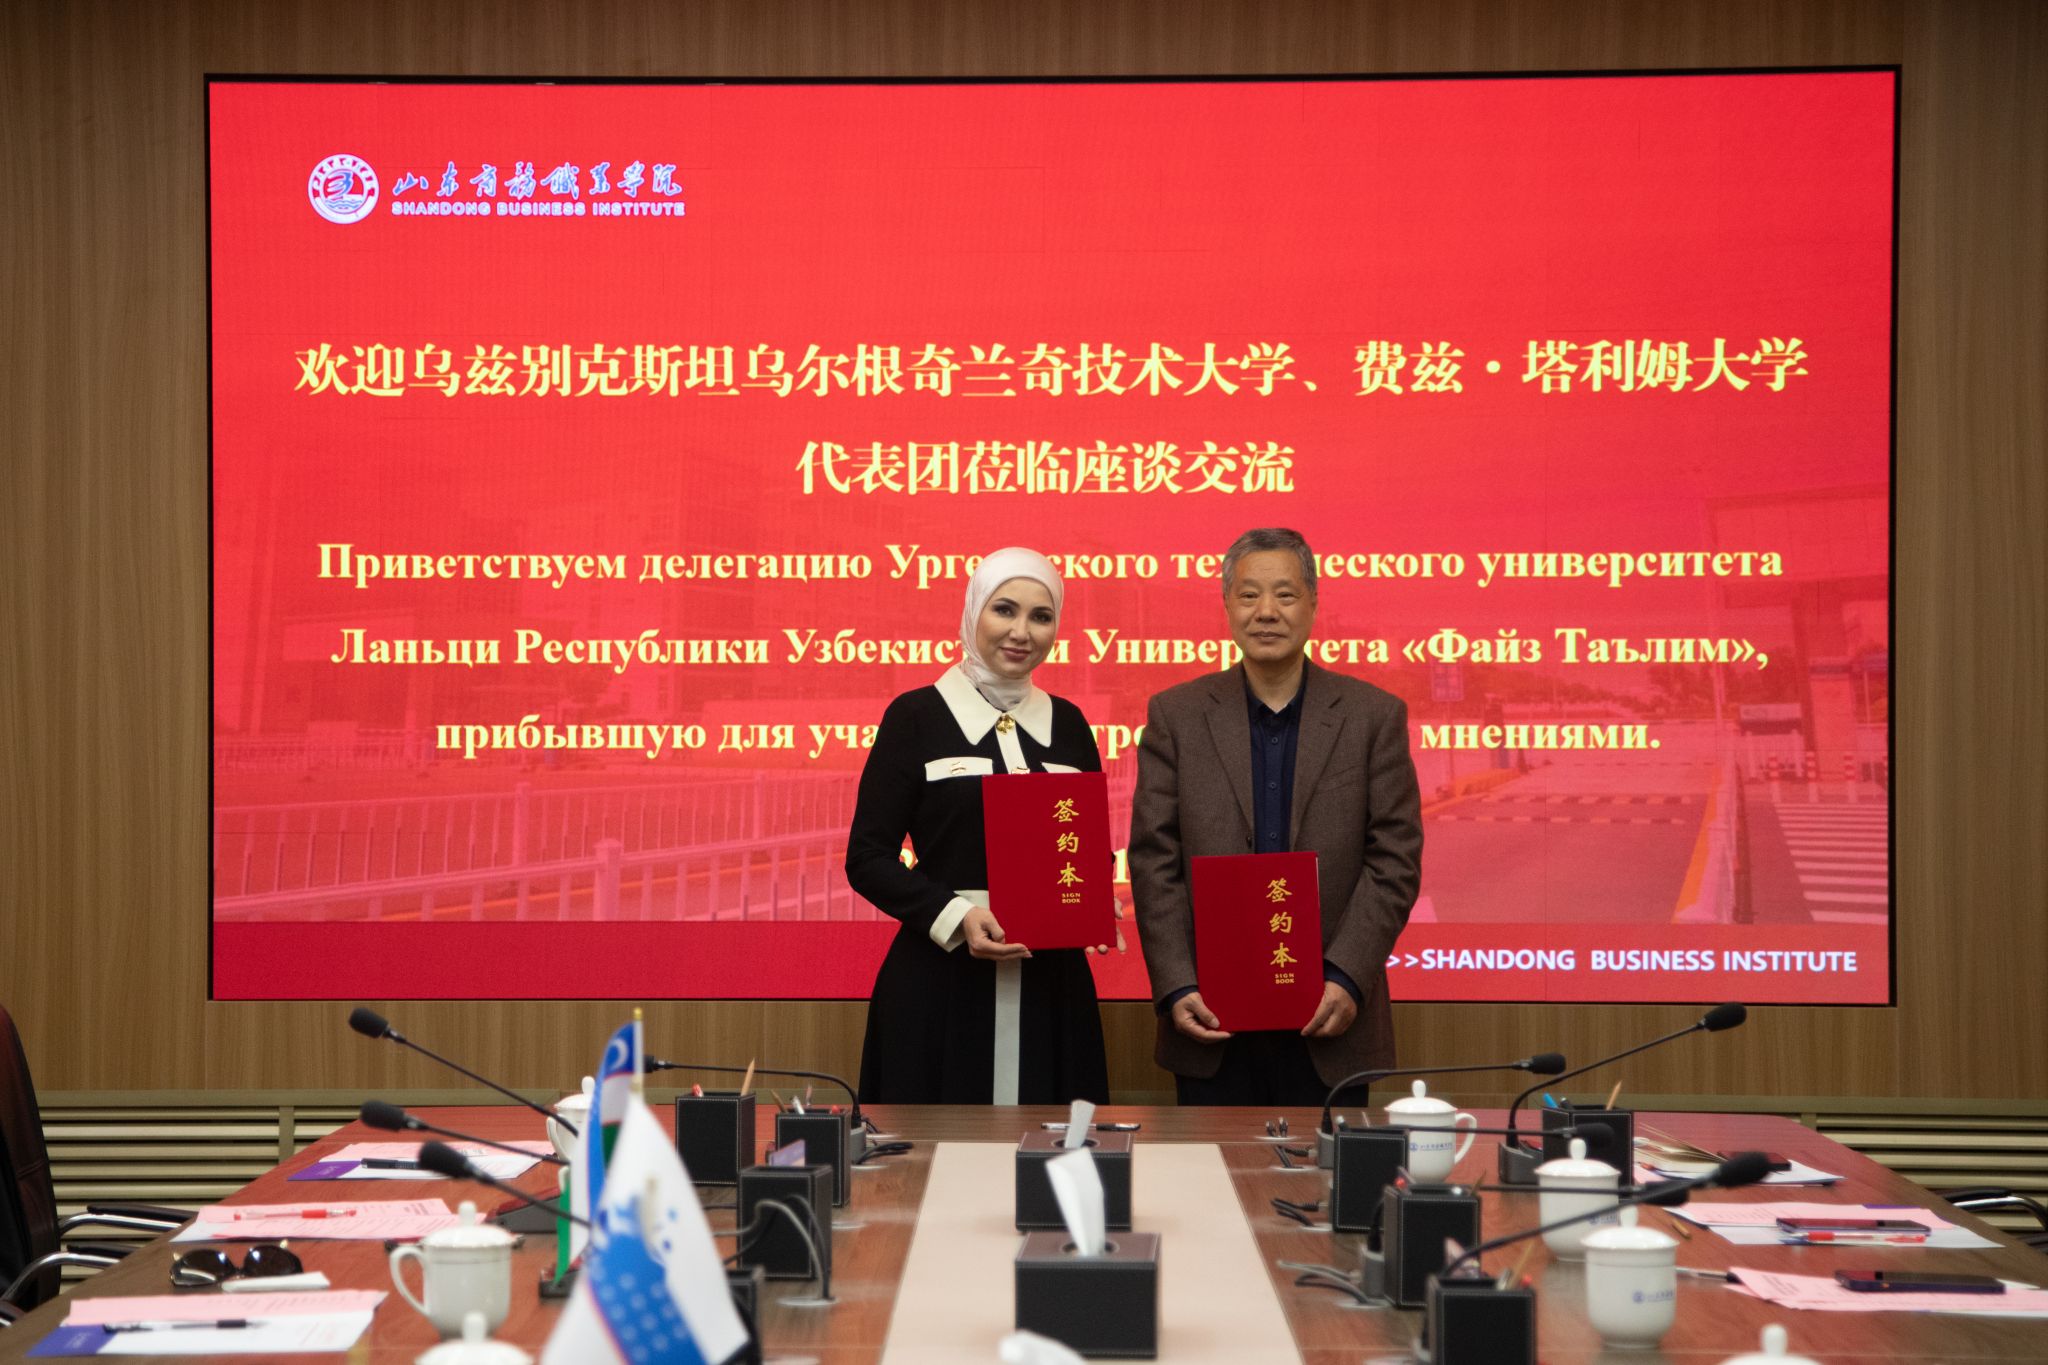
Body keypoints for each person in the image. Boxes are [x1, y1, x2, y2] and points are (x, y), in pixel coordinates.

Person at [1129, 527, 1422, 1106]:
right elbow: (1153, 860)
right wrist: (1177, 983)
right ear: (1227, 605)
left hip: (1330, 1015)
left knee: (1326, 1165)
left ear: (1313, 603)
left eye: (1285, 595)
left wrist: (1347, 975)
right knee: (1212, 1166)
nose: (1266, 612)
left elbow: (1395, 860)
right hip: (1210, 1016)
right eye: (1248, 595)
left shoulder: (1372, 716)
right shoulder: (1177, 716)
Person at [848, 548, 1113, 1105]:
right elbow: (867, 858)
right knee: (935, 1149)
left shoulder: (1069, 724)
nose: (1021, 632)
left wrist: (1091, 900)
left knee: (1053, 1147)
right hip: (939, 982)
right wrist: (957, 916)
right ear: (974, 612)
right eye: (1004, 610)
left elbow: (1087, 848)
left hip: (1052, 984)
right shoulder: (915, 716)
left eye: (1041, 617)